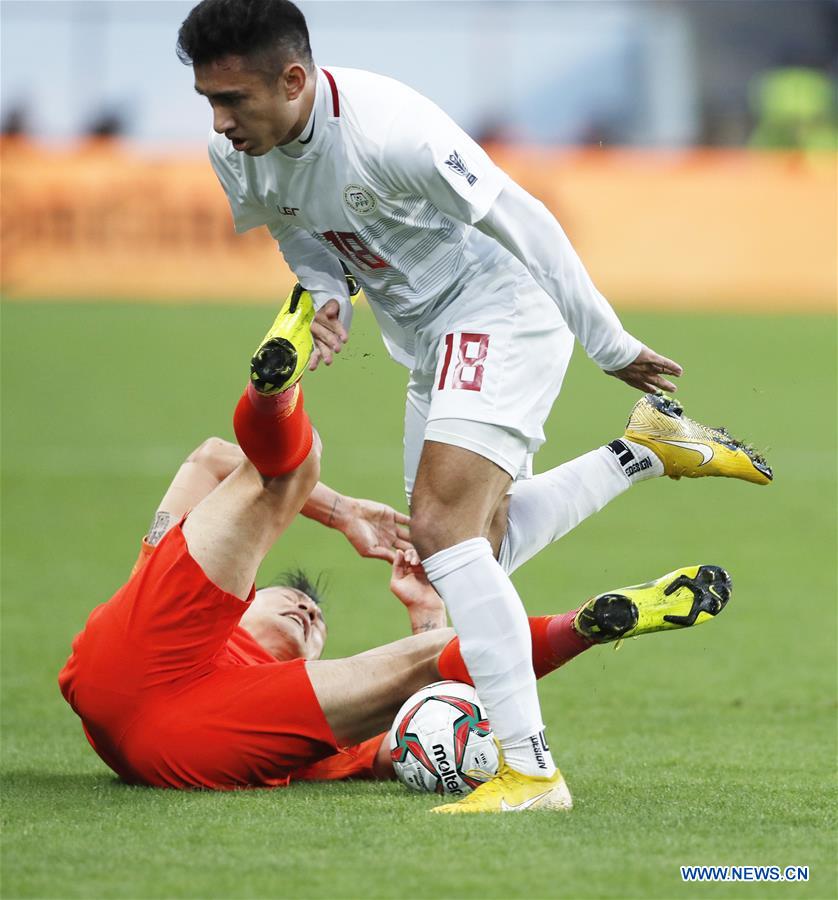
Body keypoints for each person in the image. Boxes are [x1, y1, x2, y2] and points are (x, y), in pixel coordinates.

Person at [175, 0, 771, 811]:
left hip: (502, 310)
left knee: (444, 533)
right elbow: (297, 235)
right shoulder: (235, 153)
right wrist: (326, 299)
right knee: (459, 554)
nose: (219, 119)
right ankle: (647, 450)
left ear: (292, 79)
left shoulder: (392, 130)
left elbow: (526, 219)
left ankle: (532, 772)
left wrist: (608, 343)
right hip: (428, 339)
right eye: (208, 98)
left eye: (233, 99)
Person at [60, 381, 733, 805]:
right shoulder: (179, 596)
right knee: (284, 475)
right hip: (129, 668)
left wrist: (426, 618)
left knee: (453, 611)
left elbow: (419, 726)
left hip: (197, 740)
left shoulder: (295, 721)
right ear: (249, 594)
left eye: (316, 621)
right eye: (294, 599)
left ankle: (586, 624)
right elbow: (211, 459)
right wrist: (343, 510)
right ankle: (276, 387)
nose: (307, 611)